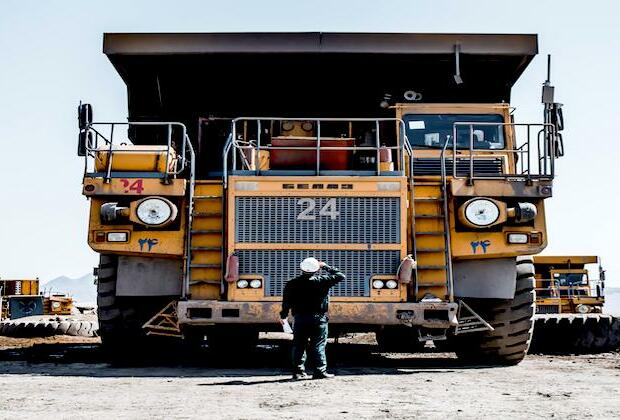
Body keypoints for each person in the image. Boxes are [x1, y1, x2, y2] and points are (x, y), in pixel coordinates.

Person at [279, 257, 345, 380]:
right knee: (318, 345)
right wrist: (325, 266)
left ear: (301, 268)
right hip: (318, 319)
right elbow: (340, 275)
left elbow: (286, 303)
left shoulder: (291, 284)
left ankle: (298, 372)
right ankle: (320, 371)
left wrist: (283, 316)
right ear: (316, 270)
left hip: (300, 318)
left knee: (299, 345)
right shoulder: (323, 281)